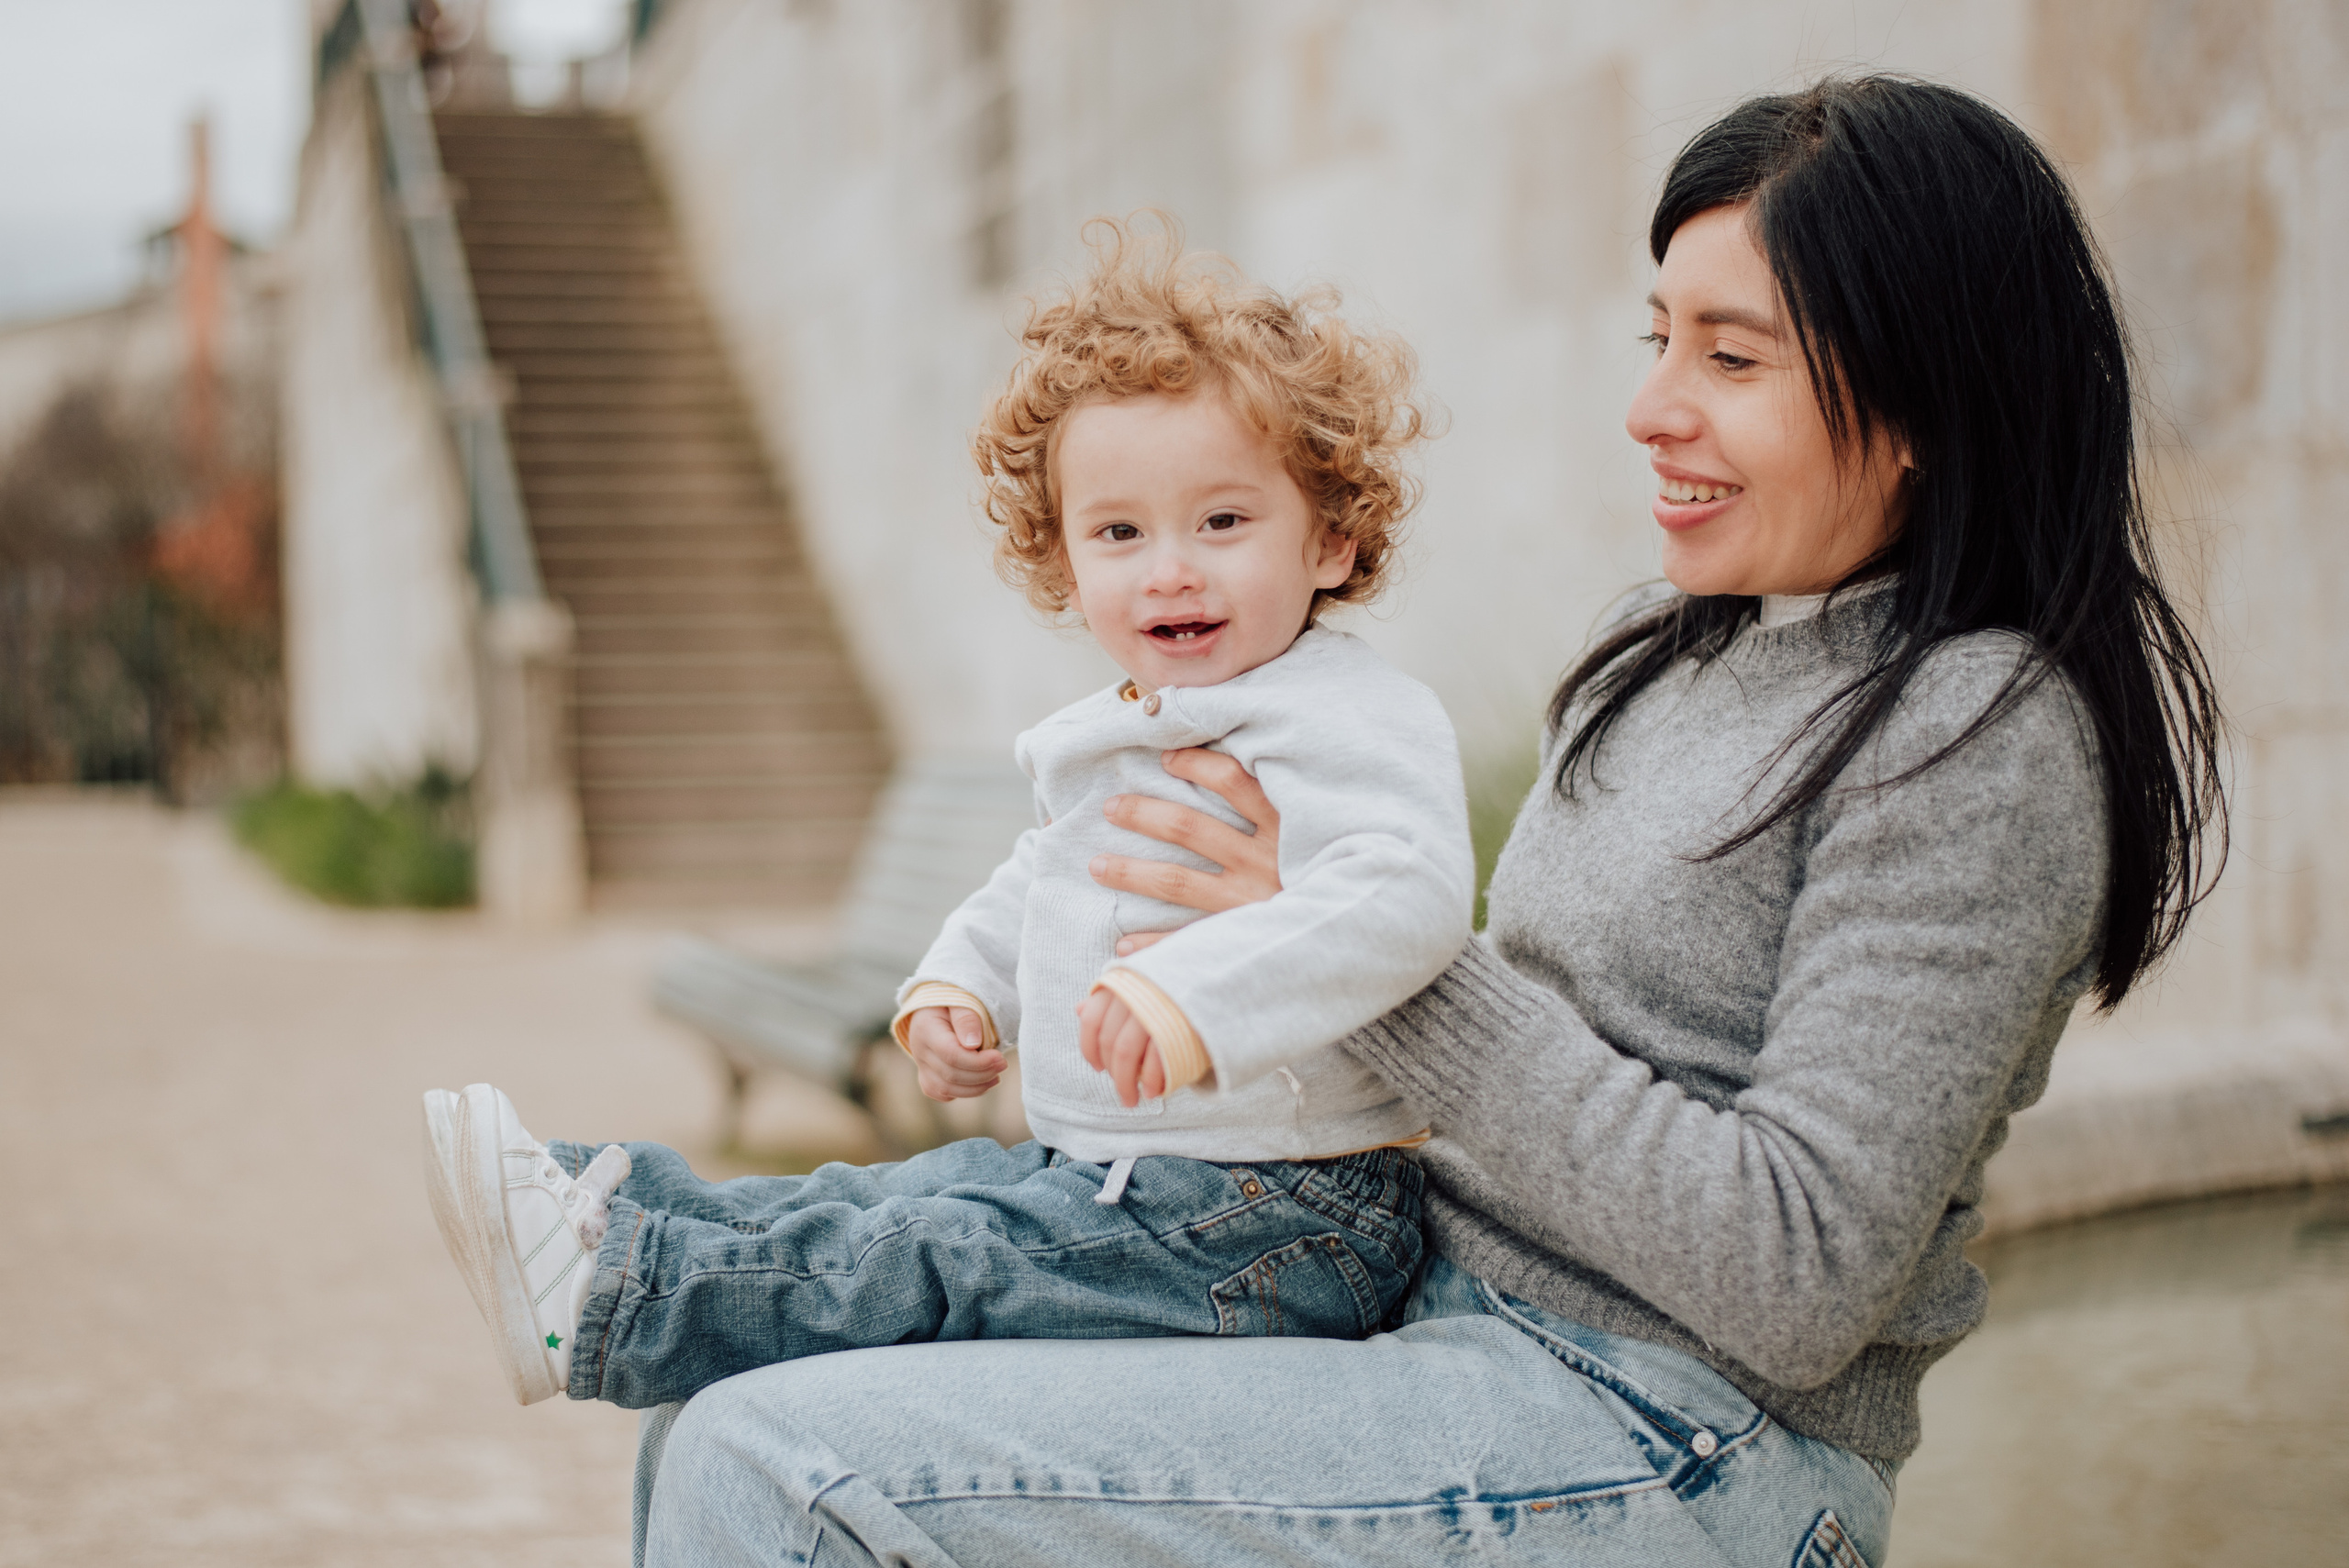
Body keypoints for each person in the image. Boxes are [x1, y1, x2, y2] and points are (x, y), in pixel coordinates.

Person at [619, 74, 2227, 1567]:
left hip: (1690, 1440)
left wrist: (1363, 946)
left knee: (776, 1462)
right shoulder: (1678, 652)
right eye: (1656, 336)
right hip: (1437, 1322)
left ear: (1928, 398)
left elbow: (1799, 1275)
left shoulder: (1973, 730)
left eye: (1731, 359)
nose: (1653, 407)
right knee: (714, 1405)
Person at [420, 222, 1476, 1410]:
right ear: (1065, 561)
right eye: (1120, 532)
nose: (1169, 568)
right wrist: (962, 982)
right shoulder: (1127, 724)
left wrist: (1198, 994)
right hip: (1139, 1180)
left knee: (936, 1253)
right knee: (885, 1199)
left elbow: (1406, 891)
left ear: (1330, 537)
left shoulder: (1345, 714)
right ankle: (599, 1208)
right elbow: (1043, 873)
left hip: (1289, 1213)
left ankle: (615, 1300)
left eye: (1223, 522)